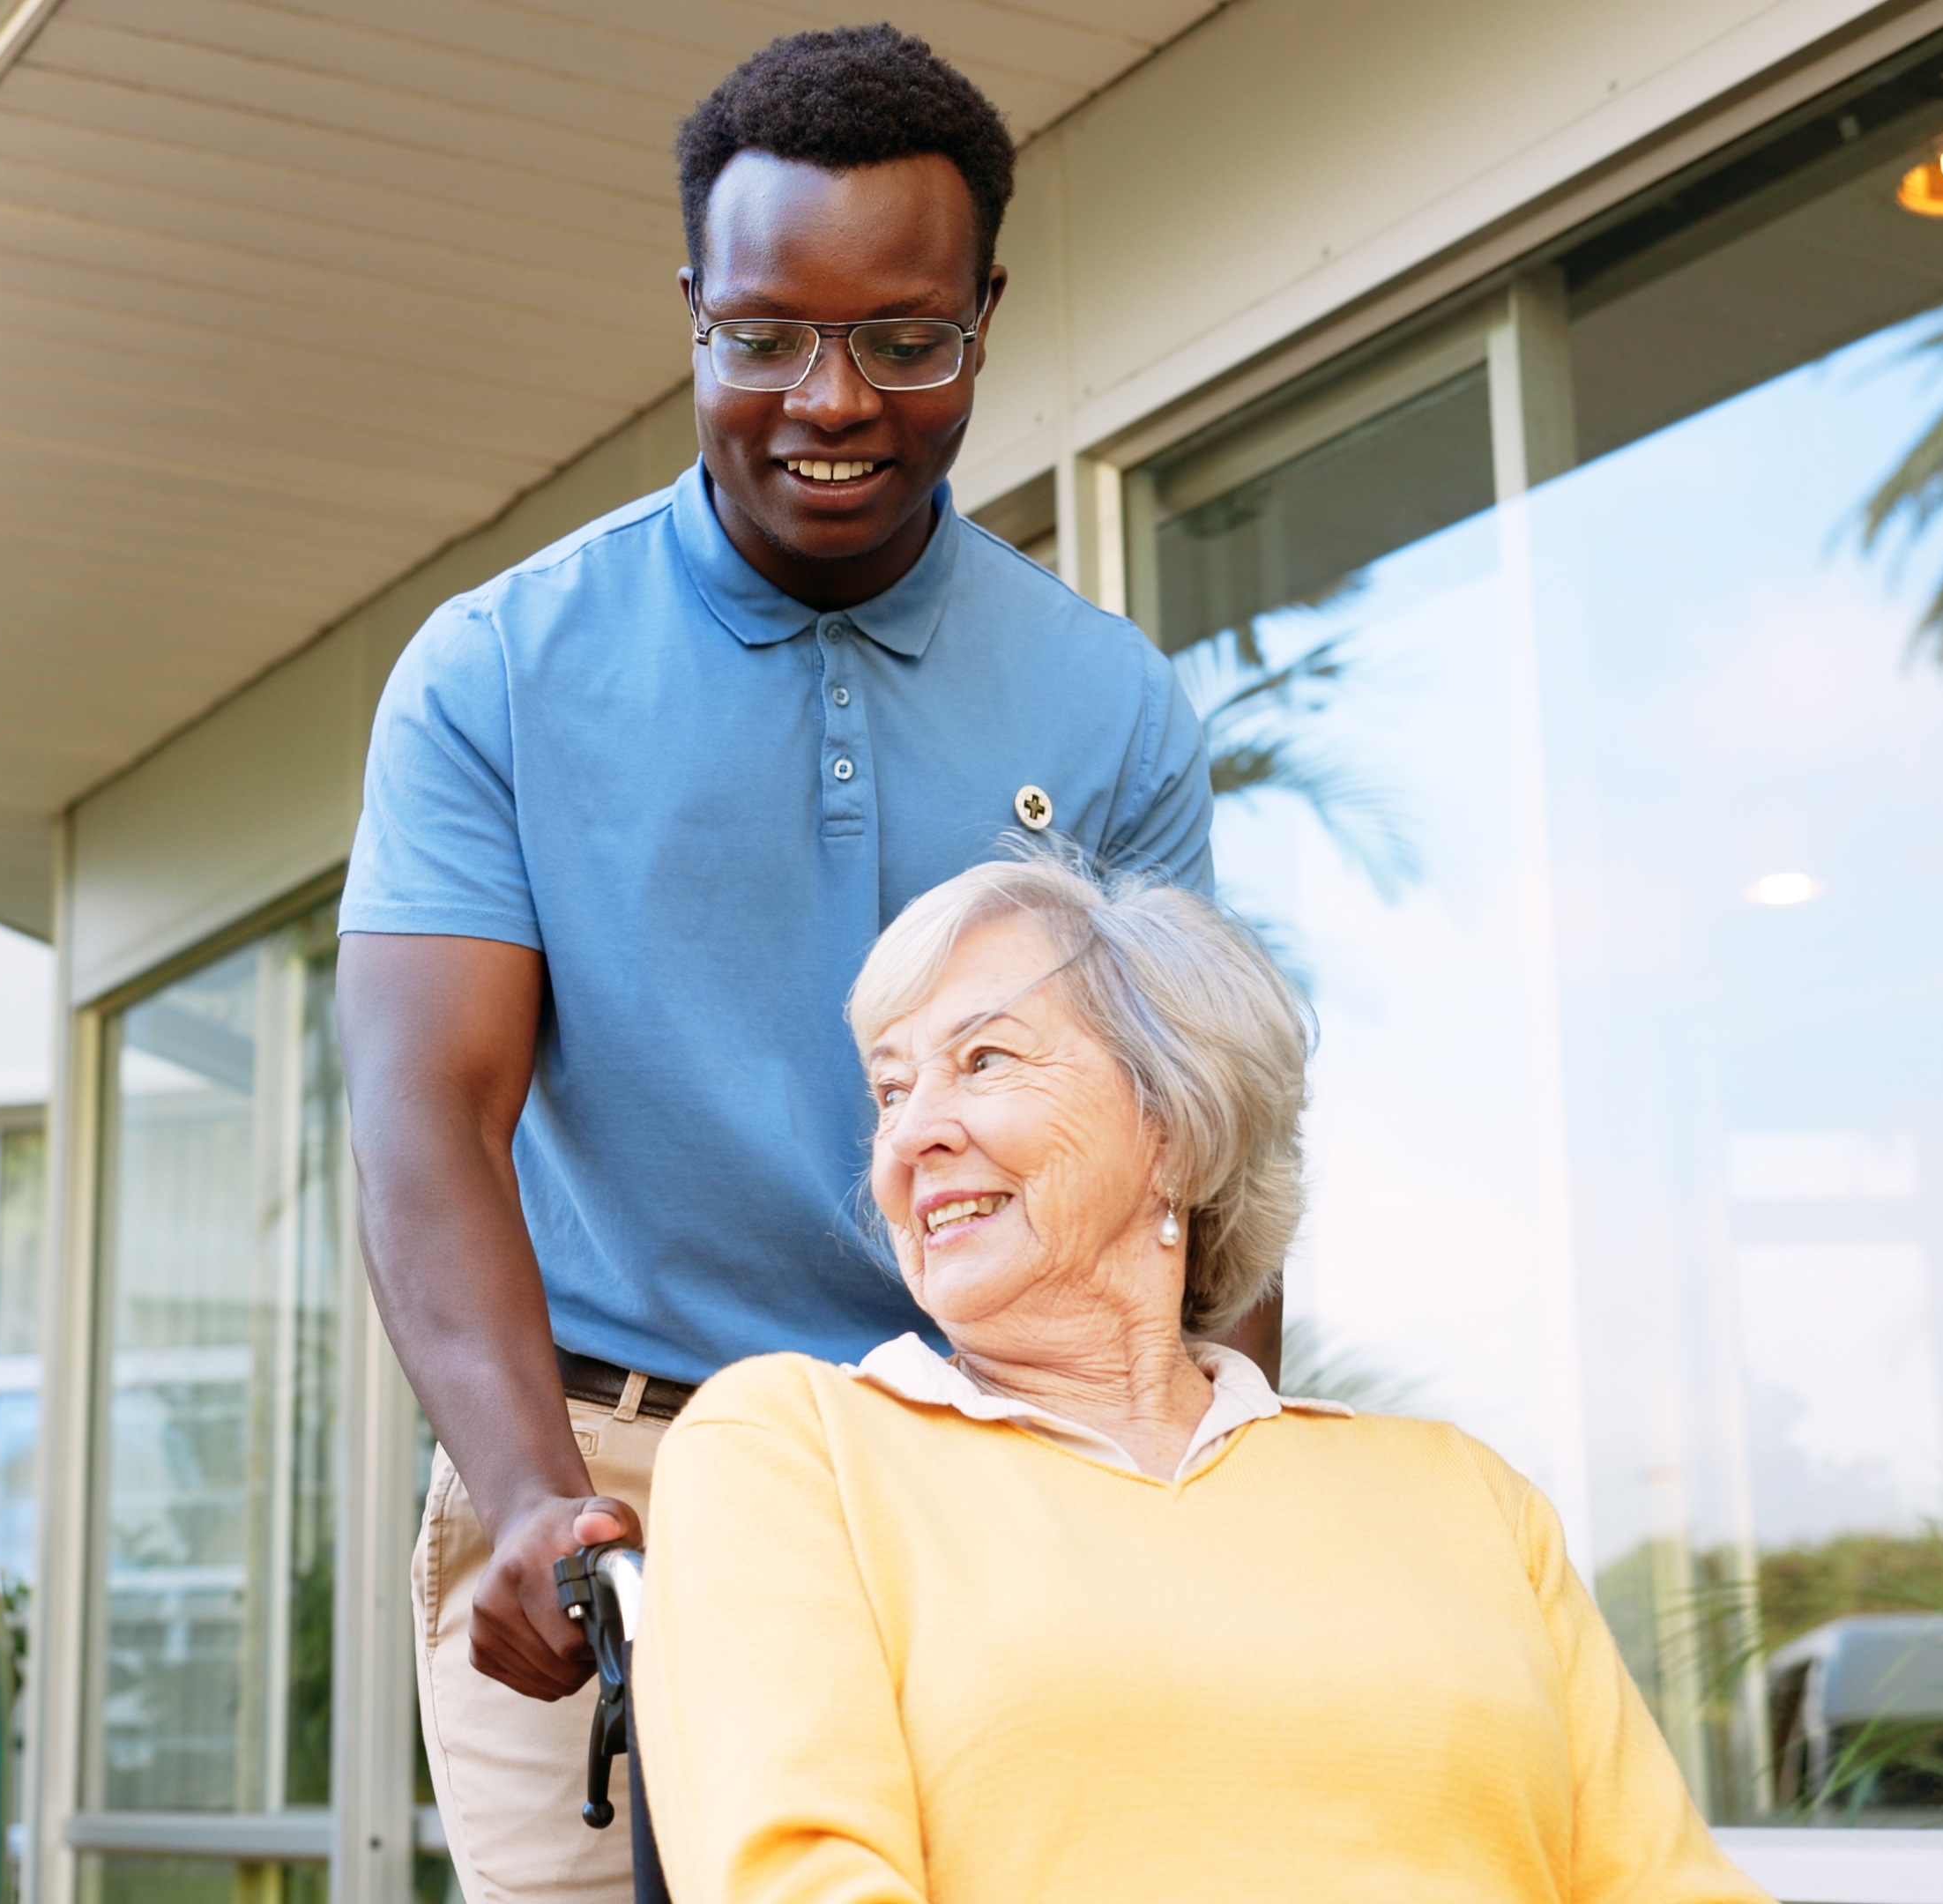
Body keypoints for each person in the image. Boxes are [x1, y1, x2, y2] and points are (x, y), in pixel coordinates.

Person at [336, 26, 1243, 1904]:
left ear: (982, 317)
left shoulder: (1107, 704)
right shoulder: (495, 669)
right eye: (762, 337)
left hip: (985, 1466)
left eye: (902, 339)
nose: (828, 400)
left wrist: (1209, 1499)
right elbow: (428, 1113)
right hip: (605, 1478)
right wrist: (524, 1493)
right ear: (693, 313)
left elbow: (1191, 1151)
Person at [629, 851, 1770, 1904]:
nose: (910, 1135)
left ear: (1174, 1125)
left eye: (984, 1060)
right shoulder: (793, 1450)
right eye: (889, 1091)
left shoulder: (1469, 1499)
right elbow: (799, 1882)